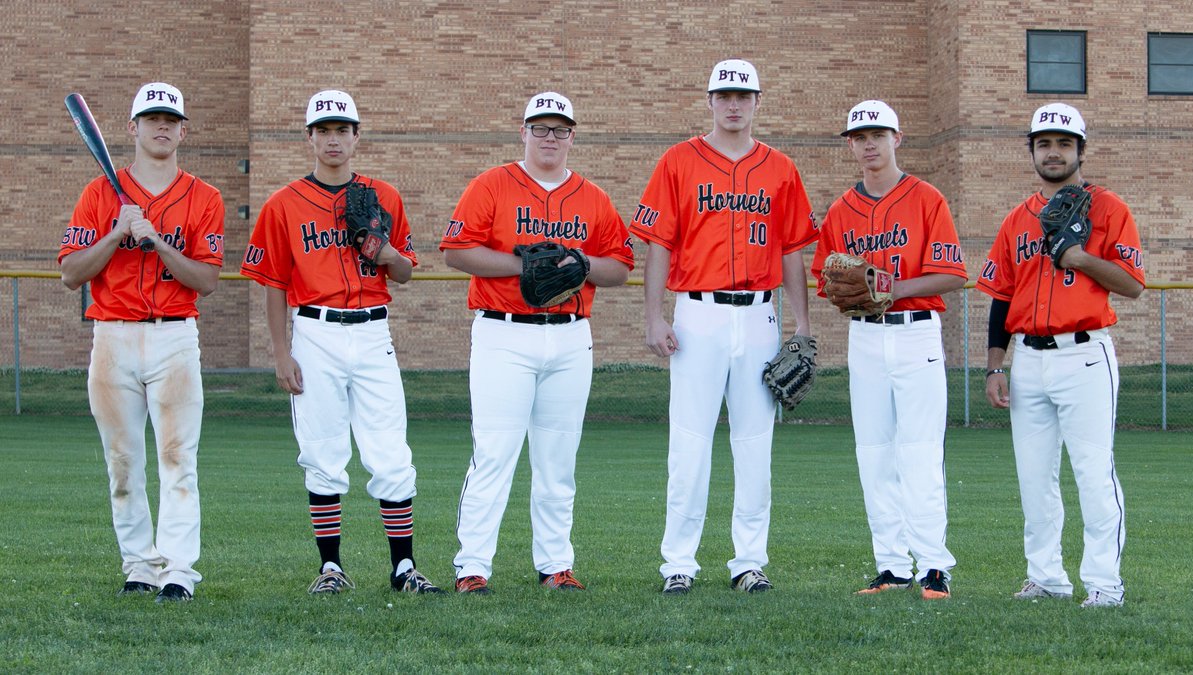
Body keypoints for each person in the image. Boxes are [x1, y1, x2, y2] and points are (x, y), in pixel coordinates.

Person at [241, 90, 442, 595]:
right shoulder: (283, 203)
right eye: (323, 130)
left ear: (356, 136)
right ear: (310, 138)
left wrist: (381, 247)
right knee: (322, 451)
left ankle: (403, 569)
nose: (333, 139)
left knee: (391, 453)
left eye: (342, 130)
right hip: (314, 331)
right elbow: (272, 283)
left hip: (374, 331)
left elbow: (404, 275)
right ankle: (331, 568)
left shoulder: (384, 196)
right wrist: (280, 352)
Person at [629, 59, 816, 595]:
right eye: (724, 95)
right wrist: (653, 315)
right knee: (688, 441)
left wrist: (800, 325)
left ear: (758, 102)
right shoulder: (678, 161)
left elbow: (791, 252)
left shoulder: (780, 168)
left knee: (755, 443)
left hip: (760, 314)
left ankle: (749, 562)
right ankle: (679, 564)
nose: (734, 104)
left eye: (744, 95)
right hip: (699, 312)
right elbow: (659, 244)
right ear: (709, 100)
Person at [441, 92, 634, 594]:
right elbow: (456, 251)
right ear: (523, 132)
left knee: (557, 460)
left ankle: (555, 565)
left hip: (570, 337)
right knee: (495, 453)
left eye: (560, 129)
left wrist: (581, 266)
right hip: (503, 333)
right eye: (541, 128)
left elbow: (620, 266)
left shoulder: (592, 197)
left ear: (573, 136)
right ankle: (472, 566)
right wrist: (525, 265)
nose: (551, 138)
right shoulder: (492, 184)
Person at [59, 82, 224, 603]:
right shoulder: (98, 192)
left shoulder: (205, 197)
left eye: (170, 119)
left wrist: (154, 240)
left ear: (182, 131)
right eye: (151, 118)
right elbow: (70, 273)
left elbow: (205, 279)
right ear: (132, 128)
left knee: (179, 459)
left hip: (175, 335)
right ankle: (138, 565)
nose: (161, 126)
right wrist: (116, 235)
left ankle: (178, 570)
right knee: (123, 463)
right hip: (112, 335)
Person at [976, 103, 1144, 608]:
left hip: (1086, 356)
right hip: (1027, 358)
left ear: (1081, 150)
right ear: (1032, 150)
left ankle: (1104, 585)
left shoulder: (1108, 208)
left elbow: (1134, 284)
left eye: (1064, 144)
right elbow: (1002, 297)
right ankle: (1046, 578)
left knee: (1094, 472)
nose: (1053, 152)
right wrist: (994, 365)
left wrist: (1082, 258)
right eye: (1044, 143)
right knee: (1034, 477)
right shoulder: (1015, 220)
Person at [811, 100, 966, 600]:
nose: (869, 143)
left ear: (897, 138)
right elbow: (827, 279)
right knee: (874, 453)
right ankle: (891, 565)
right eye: (859, 136)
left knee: (920, 452)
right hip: (866, 337)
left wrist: (889, 287)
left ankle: (935, 565)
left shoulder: (926, 198)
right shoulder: (839, 210)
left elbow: (953, 275)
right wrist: (844, 288)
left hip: (917, 331)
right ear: (850, 145)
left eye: (878, 133)